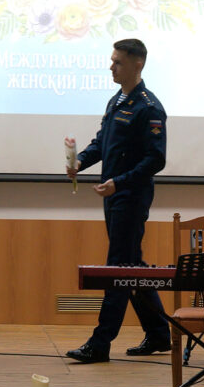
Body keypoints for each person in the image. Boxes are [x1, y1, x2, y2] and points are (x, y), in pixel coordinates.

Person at [65, 38, 171, 363]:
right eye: (112, 61)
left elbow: (156, 160)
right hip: (112, 195)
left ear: (137, 64)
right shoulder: (117, 101)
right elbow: (102, 143)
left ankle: (100, 343)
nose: (111, 67)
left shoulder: (149, 108)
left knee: (117, 268)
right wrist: (80, 161)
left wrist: (120, 182)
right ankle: (158, 334)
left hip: (130, 196)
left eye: (118, 62)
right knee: (132, 266)